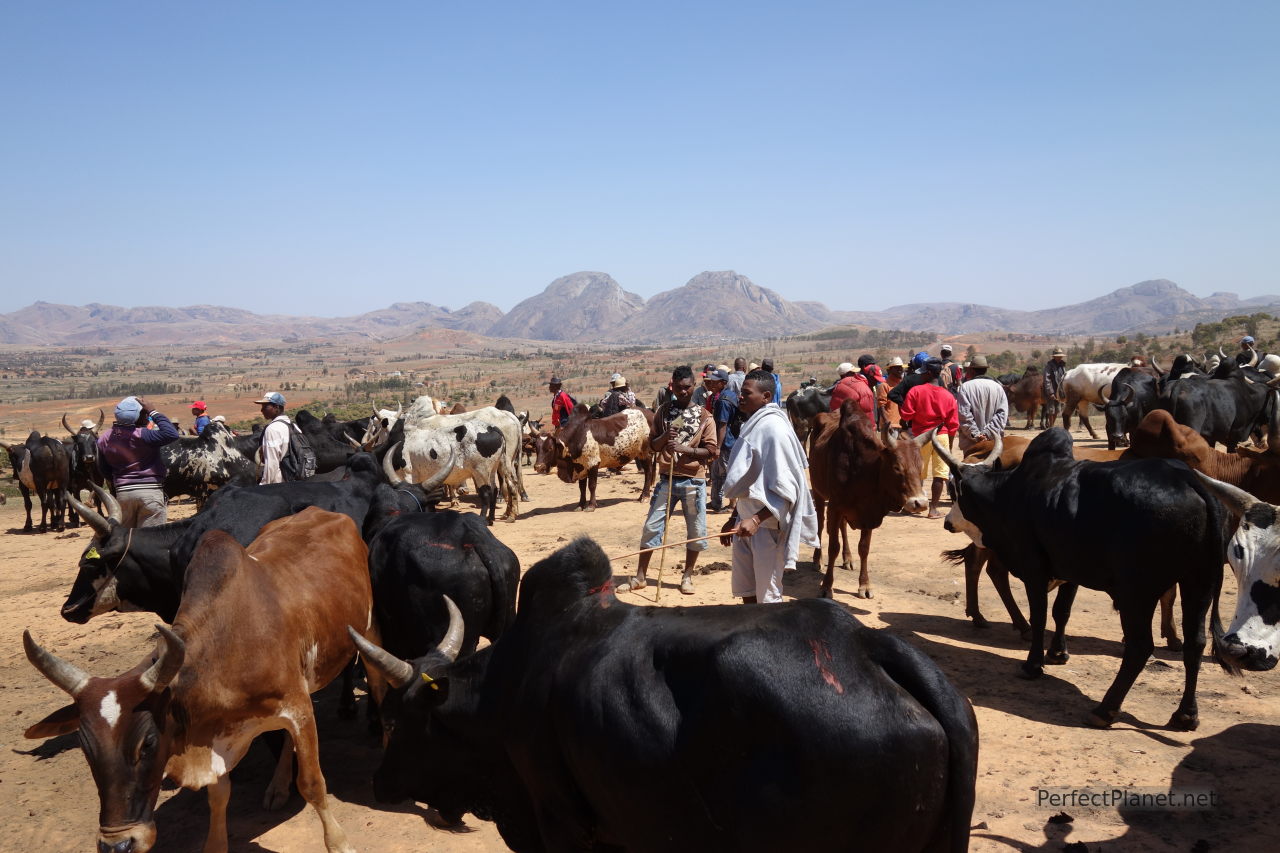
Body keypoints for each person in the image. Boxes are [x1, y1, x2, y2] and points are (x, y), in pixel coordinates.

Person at [719, 370, 819, 603]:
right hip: (745, 523)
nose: (740, 398)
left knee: (769, 598)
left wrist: (755, 520)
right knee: (748, 592)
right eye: (740, 393)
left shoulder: (774, 430)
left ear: (765, 396)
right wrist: (735, 517)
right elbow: (751, 483)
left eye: (746, 393)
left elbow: (787, 490)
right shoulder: (753, 425)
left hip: (767, 527)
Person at [617, 365, 718, 596]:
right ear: (671, 386)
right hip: (667, 480)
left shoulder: (704, 416)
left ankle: (687, 576)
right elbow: (652, 445)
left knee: (695, 529)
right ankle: (641, 577)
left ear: (693, 387)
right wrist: (665, 437)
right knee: (652, 526)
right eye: (678, 388)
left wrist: (684, 449)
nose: (682, 392)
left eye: (686, 388)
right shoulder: (663, 411)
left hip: (694, 482)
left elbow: (711, 450)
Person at [97, 395, 180, 527]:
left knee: (126, 538)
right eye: (144, 413)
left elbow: (104, 469)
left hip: (123, 494)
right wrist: (153, 411)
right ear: (138, 416)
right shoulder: (144, 434)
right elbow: (172, 434)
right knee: (150, 540)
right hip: (150, 493)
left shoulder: (104, 438)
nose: (146, 416)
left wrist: (118, 480)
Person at [900, 359, 959, 518]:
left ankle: (915, 505)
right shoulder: (948, 395)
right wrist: (949, 439)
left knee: (918, 472)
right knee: (940, 474)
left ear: (927, 373)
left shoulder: (916, 391)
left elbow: (906, 414)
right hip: (942, 436)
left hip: (921, 437)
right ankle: (933, 509)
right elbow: (953, 423)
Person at [955, 355, 1008, 453]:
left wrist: (976, 435)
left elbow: (963, 414)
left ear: (972, 370)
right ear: (985, 370)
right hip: (993, 442)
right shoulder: (998, 387)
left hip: (970, 443)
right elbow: (1002, 415)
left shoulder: (965, 387)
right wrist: (988, 434)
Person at [707, 368, 736, 512]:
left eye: (715, 381)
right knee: (717, 473)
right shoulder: (729, 395)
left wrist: (717, 446)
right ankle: (715, 502)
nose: (712, 383)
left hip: (725, 442)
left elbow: (722, 425)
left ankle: (732, 504)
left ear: (723, 383)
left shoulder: (724, 401)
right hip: (726, 441)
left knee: (728, 473)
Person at [255, 391, 292, 484]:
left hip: (278, 483)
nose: (261, 410)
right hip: (294, 480)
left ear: (276, 407)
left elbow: (271, 464)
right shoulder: (294, 426)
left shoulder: (272, 429)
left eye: (265, 406)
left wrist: (263, 485)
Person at [876, 356, 906, 430]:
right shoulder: (884, 386)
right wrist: (887, 422)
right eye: (896, 367)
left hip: (902, 425)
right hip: (891, 426)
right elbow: (881, 406)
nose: (900, 369)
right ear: (890, 370)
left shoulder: (902, 385)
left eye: (901, 367)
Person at [1042, 348, 1068, 429]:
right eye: (1058, 356)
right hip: (1051, 391)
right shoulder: (1049, 366)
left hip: (1059, 391)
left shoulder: (1062, 365)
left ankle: (1052, 426)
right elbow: (1047, 379)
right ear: (1054, 357)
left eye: (1061, 356)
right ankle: (1051, 426)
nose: (1060, 358)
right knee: (1051, 409)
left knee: (1057, 409)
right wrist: (1050, 392)